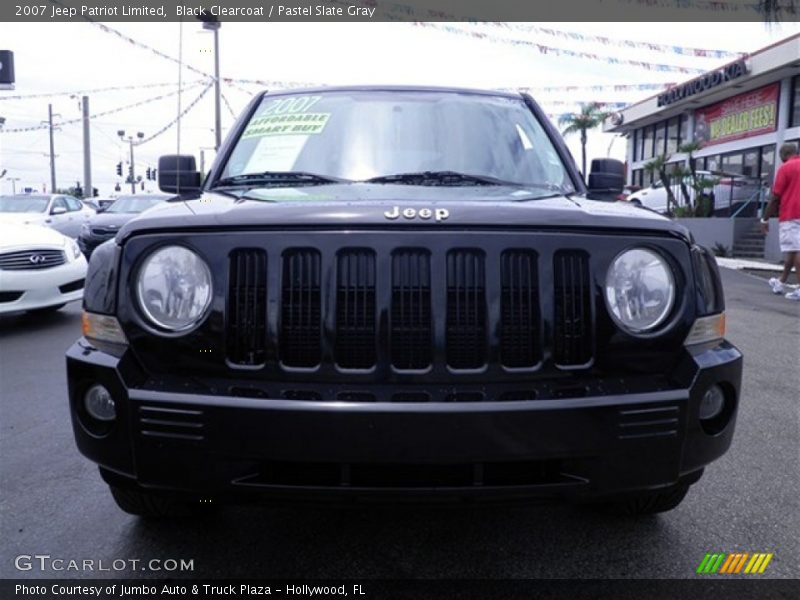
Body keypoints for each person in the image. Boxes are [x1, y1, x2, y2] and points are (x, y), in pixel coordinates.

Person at [761, 143, 800, 301]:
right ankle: (781, 282)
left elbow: (775, 197)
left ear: (784, 154)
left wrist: (765, 219)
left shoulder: (786, 168)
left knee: (797, 249)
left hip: (791, 214)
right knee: (792, 249)